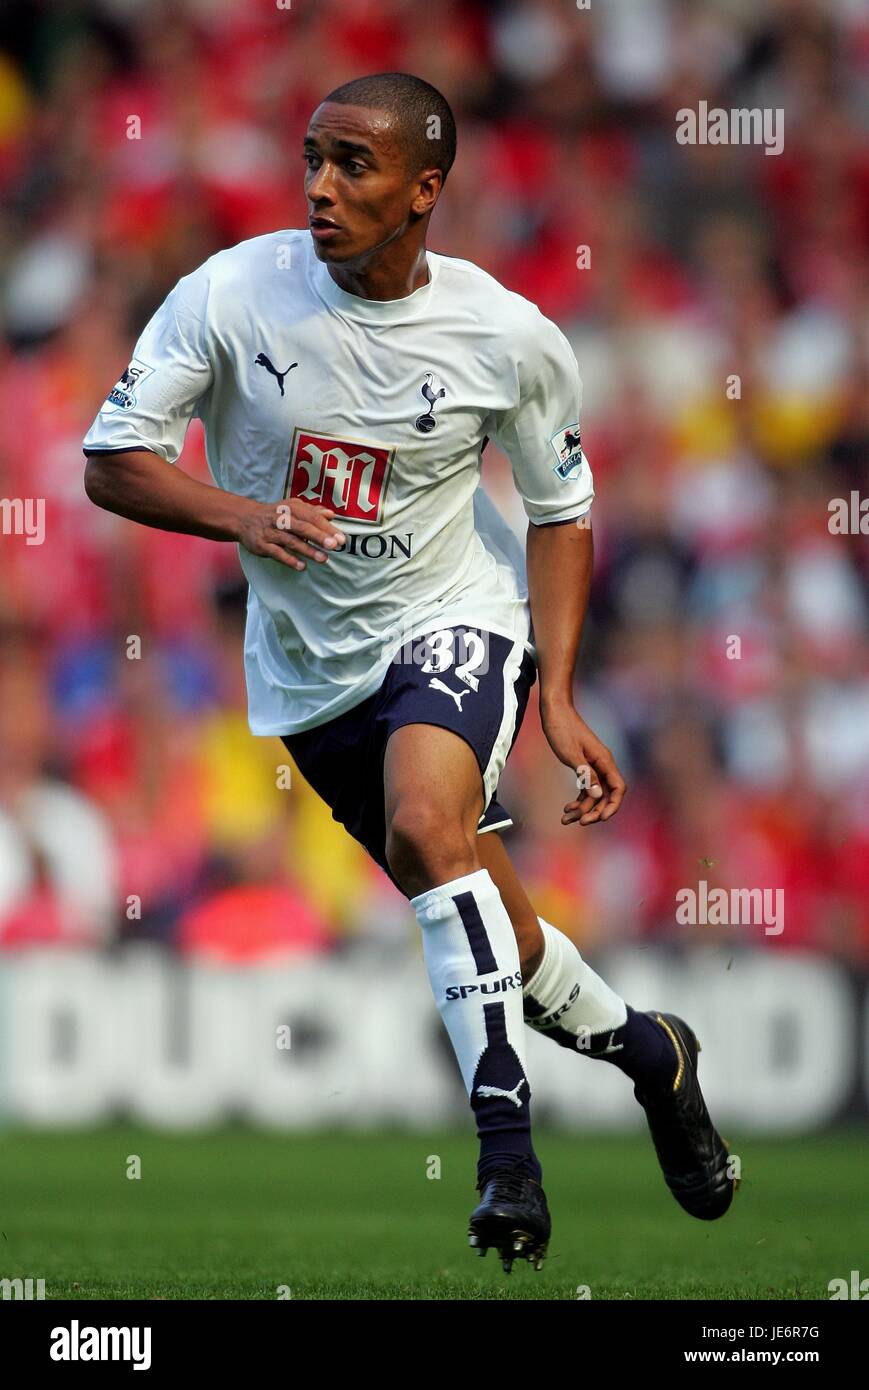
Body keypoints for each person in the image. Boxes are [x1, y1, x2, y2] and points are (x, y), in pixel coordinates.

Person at [83, 71, 734, 1274]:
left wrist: (558, 685)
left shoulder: (507, 338)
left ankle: (504, 1154)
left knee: (432, 824)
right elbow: (112, 460)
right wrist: (242, 516)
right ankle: (655, 1056)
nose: (321, 189)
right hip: (308, 676)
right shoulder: (230, 293)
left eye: (354, 166)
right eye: (313, 160)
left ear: (423, 190)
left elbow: (561, 508)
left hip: (455, 615)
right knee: (496, 924)